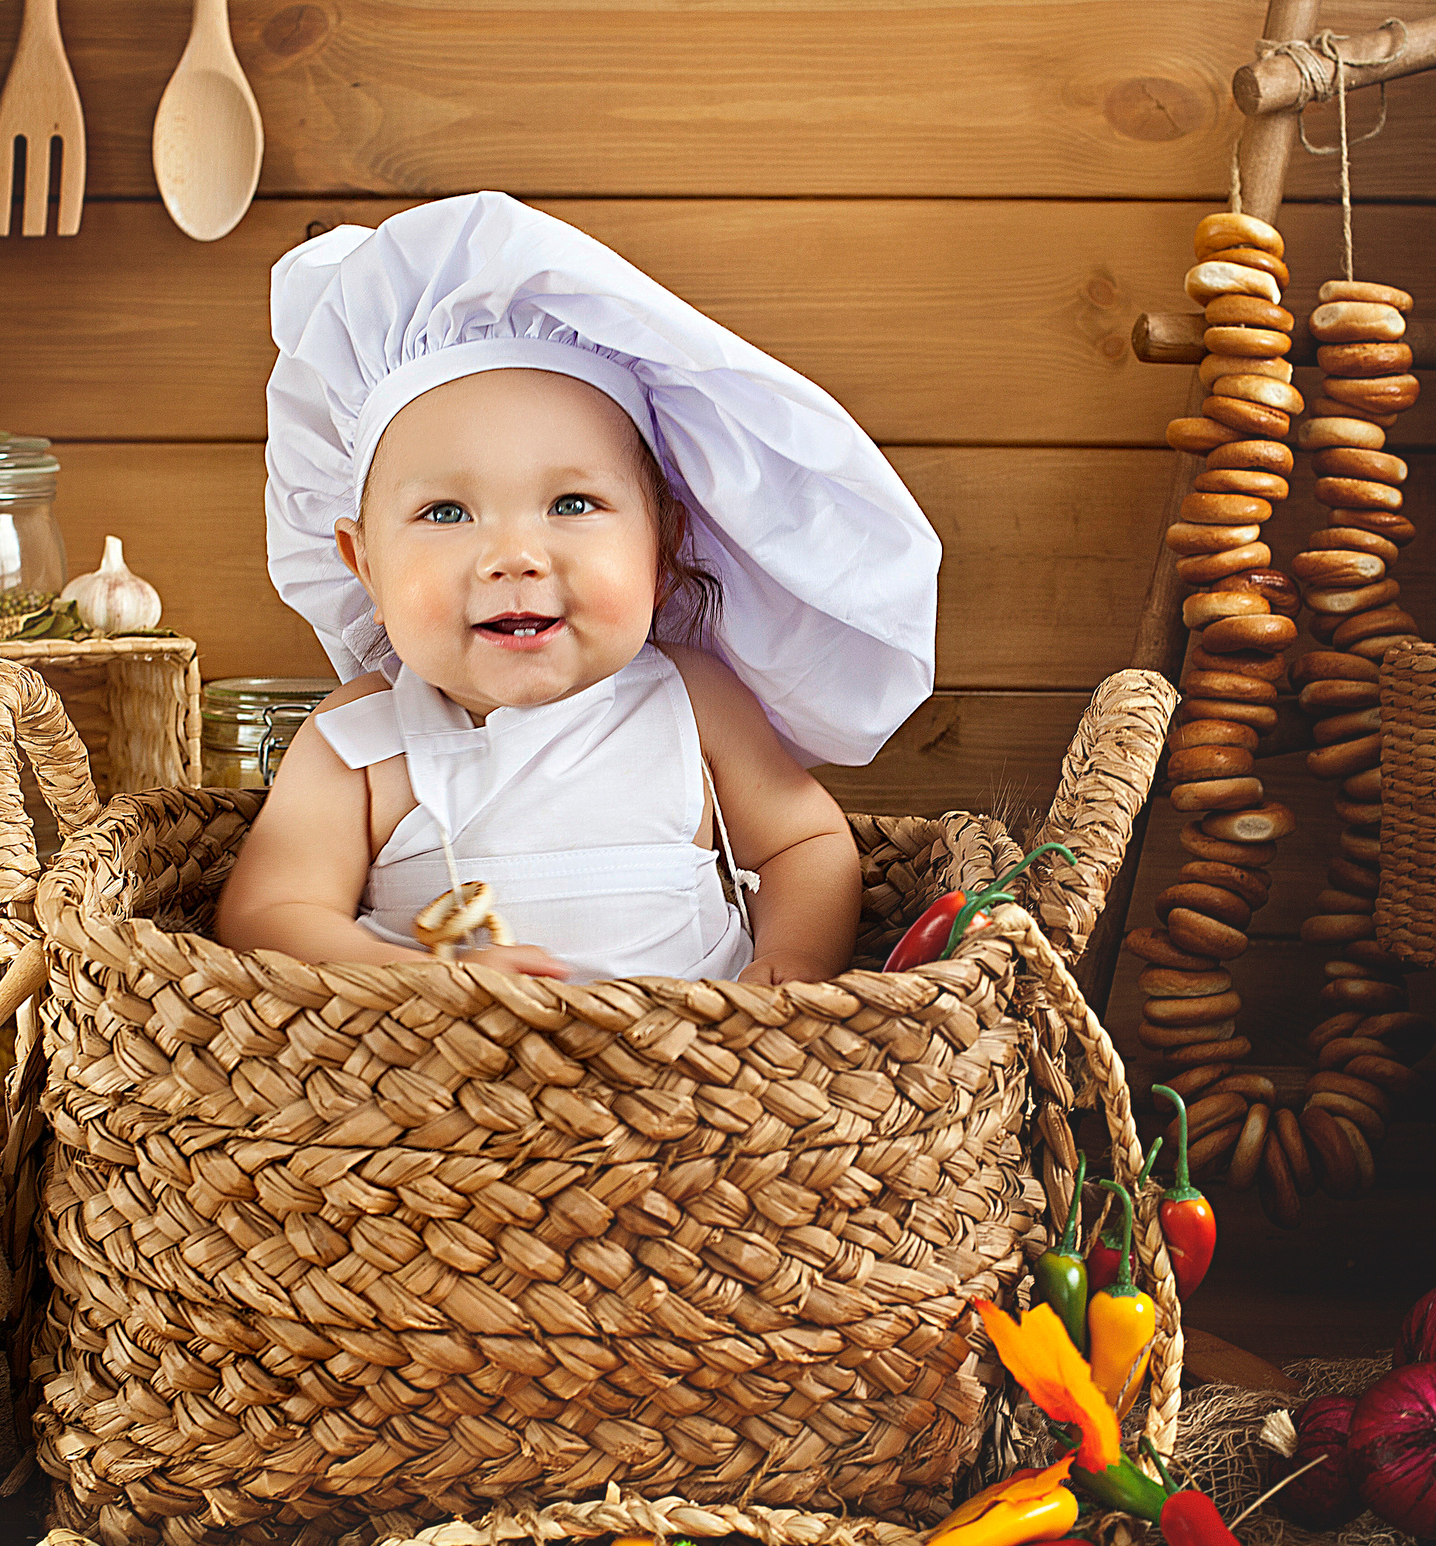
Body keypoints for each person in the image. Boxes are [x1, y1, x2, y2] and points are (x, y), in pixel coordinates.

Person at [218, 192, 939, 983]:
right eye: (446, 511)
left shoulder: (692, 701)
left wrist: (792, 962)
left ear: (662, 550)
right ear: (365, 567)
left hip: (705, 1082)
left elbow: (805, 842)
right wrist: (417, 979)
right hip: (448, 1086)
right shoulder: (360, 743)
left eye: (572, 504)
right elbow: (267, 914)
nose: (514, 557)